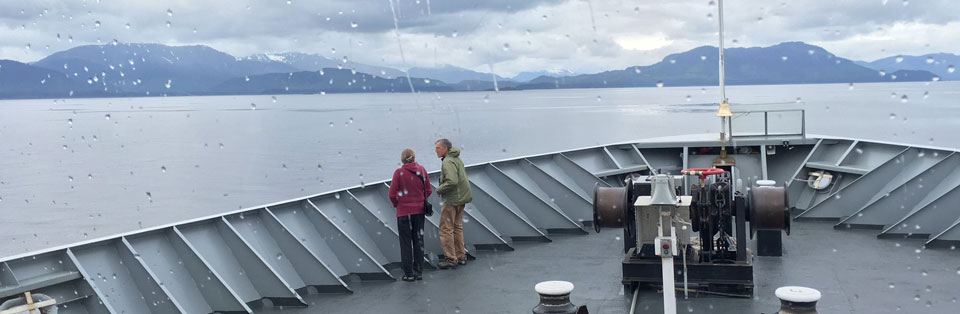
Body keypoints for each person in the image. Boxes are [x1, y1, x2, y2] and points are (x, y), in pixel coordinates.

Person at [388, 148, 432, 282]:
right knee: (418, 241)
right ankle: (418, 271)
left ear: (402, 159)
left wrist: (397, 204)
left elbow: (391, 193)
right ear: (414, 157)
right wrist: (419, 200)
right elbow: (428, 190)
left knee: (406, 243)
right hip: (419, 212)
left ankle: (409, 274)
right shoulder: (422, 170)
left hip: (403, 213)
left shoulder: (399, 172)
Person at [434, 138, 472, 269]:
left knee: (446, 229)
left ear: (445, 148)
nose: (436, 151)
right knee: (457, 227)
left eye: (438, 148)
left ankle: (451, 258)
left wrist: (439, 189)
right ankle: (461, 256)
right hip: (461, 198)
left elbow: (452, 181)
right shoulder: (456, 158)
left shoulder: (448, 161)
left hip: (452, 199)